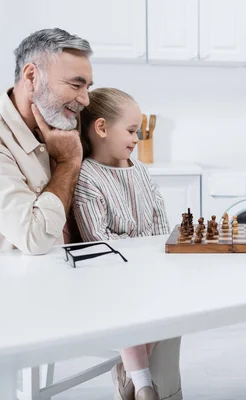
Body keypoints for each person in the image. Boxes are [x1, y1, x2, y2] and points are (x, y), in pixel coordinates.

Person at [73, 88, 181, 400]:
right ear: (102, 128)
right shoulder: (88, 177)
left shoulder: (141, 172)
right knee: (134, 302)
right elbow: (99, 240)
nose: (137, 139)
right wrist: (144, 253)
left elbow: (160, 222)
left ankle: (132, 371)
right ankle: (144, 383)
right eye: (132, 131)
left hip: (147, 267)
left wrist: (154, 254)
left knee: (172, 300)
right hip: (110, 276)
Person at [0, 28, 92, 253]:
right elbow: (36, 239)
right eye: (75, 85)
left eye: (88, 87)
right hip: (3, 285)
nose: (85, 100)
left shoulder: (58, 128)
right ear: (32, 77)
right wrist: (68, 163)